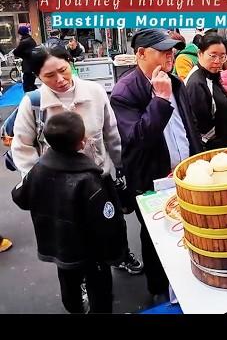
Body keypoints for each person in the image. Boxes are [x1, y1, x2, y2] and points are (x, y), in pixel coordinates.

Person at [10, 44, 143, 275]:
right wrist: (36, 183)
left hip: (99, 175)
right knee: (73, 234)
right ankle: (79, 276)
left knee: (112, 223)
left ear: (70, 62)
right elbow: (21, 146)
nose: (60, 79)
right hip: (60, 188)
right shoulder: (33, 103)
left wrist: (121, 165)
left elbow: (111, 132)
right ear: (38, 76)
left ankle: (120, 255)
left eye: (63, 69)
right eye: (49, 75)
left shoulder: (95, 91)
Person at [110, 29, 201, 301]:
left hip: (185, 171)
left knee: (189, 226)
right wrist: (160, 100)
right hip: (152, 179)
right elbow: (137, 139)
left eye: (171, 50)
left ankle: (187, 280)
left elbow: (188, 126)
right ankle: (158, 288)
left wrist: (197, 156)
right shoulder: (125, 91)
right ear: (141, 54)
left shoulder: (176, 81)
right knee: (155, 237)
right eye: (162, 51)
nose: (170, 55)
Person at [12, 111, 127, 313]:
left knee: (68, 281)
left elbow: (19, 196)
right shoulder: (90, 180)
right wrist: (116, 253)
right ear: (82, 142)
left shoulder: (37, 170)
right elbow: (106, 222)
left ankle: (75, 308)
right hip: (91, 251)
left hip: (58, 244)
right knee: (99, 287)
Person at [184, 33, 227, 150]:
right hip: (213, 150)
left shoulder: (212, 75)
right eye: (213, 56)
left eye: (222, 56)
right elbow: (200, 128)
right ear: (200, 54)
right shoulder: (196, 84)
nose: (218, 61)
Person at [13, 26, 37, 92]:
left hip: (28, 66)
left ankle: (31, 99)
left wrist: (22, 55)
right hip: (32, 65)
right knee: (31, 84)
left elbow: (16, 52)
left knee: (27, 85)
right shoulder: (31, 39)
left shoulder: (24, 41)